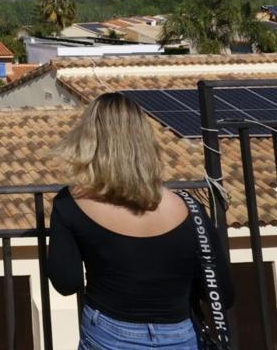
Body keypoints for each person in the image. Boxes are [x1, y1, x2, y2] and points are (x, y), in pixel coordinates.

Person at [48, 91, 234, 349]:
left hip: (109, 334)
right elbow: (222, 292)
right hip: (180, 335)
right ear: (144, 141)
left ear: (89, 141)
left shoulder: (70, 204)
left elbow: (66, 283)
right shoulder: (189, 208)